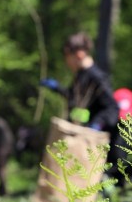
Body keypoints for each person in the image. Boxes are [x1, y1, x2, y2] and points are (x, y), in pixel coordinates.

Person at [40, 32, 120, 176]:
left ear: (79, 54)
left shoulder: (96, 77)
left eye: (67, 56)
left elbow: (112, 108)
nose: (66, 61)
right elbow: (73, 98)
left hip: (96, 141)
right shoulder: (80, 75)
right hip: (81, 134)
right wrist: (56, 87)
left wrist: (96, 125)